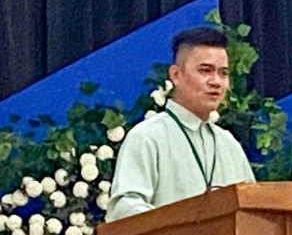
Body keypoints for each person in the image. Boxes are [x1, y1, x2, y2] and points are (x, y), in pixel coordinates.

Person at [105, 27, 256, 222]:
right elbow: (124, 209)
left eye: (223, 73)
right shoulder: (147, 137)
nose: (216, 82)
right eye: (205, 70)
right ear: (176, 75)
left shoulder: (229, 144)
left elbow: (253, 212)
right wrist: (181, 225)